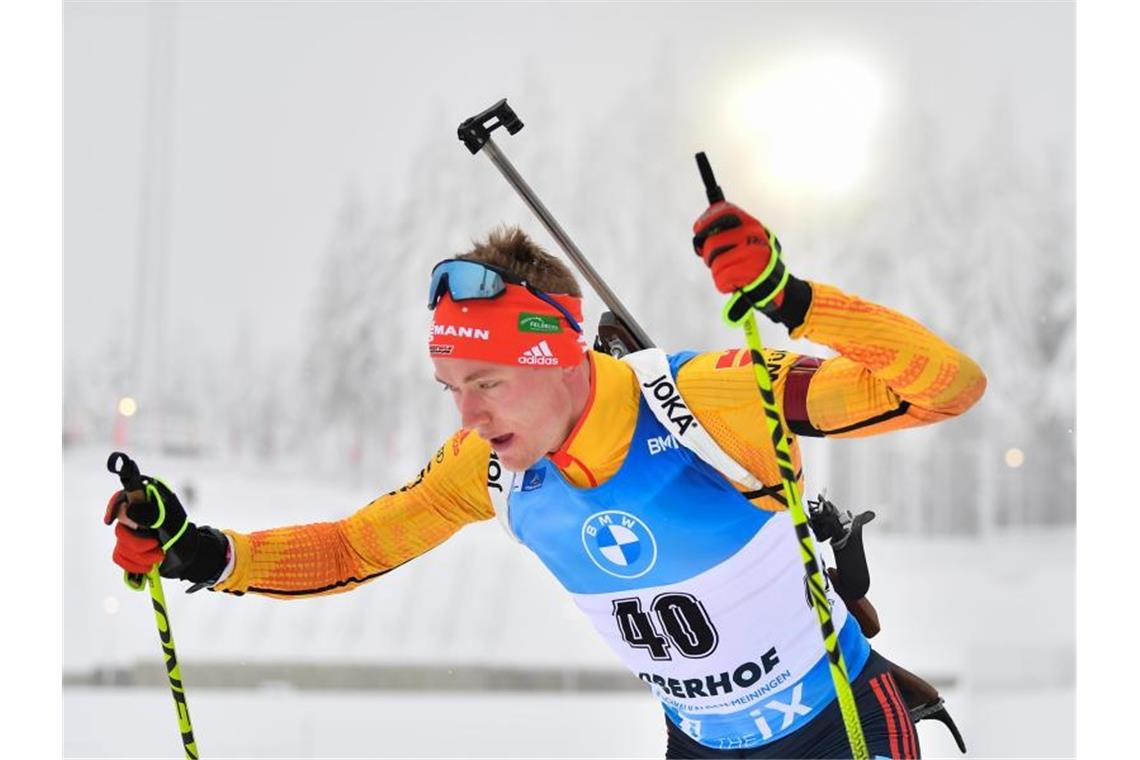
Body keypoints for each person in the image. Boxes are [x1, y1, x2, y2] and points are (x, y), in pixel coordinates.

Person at [105, 200, 985, 758]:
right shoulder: (490, 470)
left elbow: (945, 387)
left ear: (559, 357)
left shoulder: (704, 401)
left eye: (487, 384)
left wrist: (793, 300)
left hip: (839, 731)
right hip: (701, 745)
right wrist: (200, 551)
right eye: (453, 390)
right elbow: (353, 546)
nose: (470, 417)